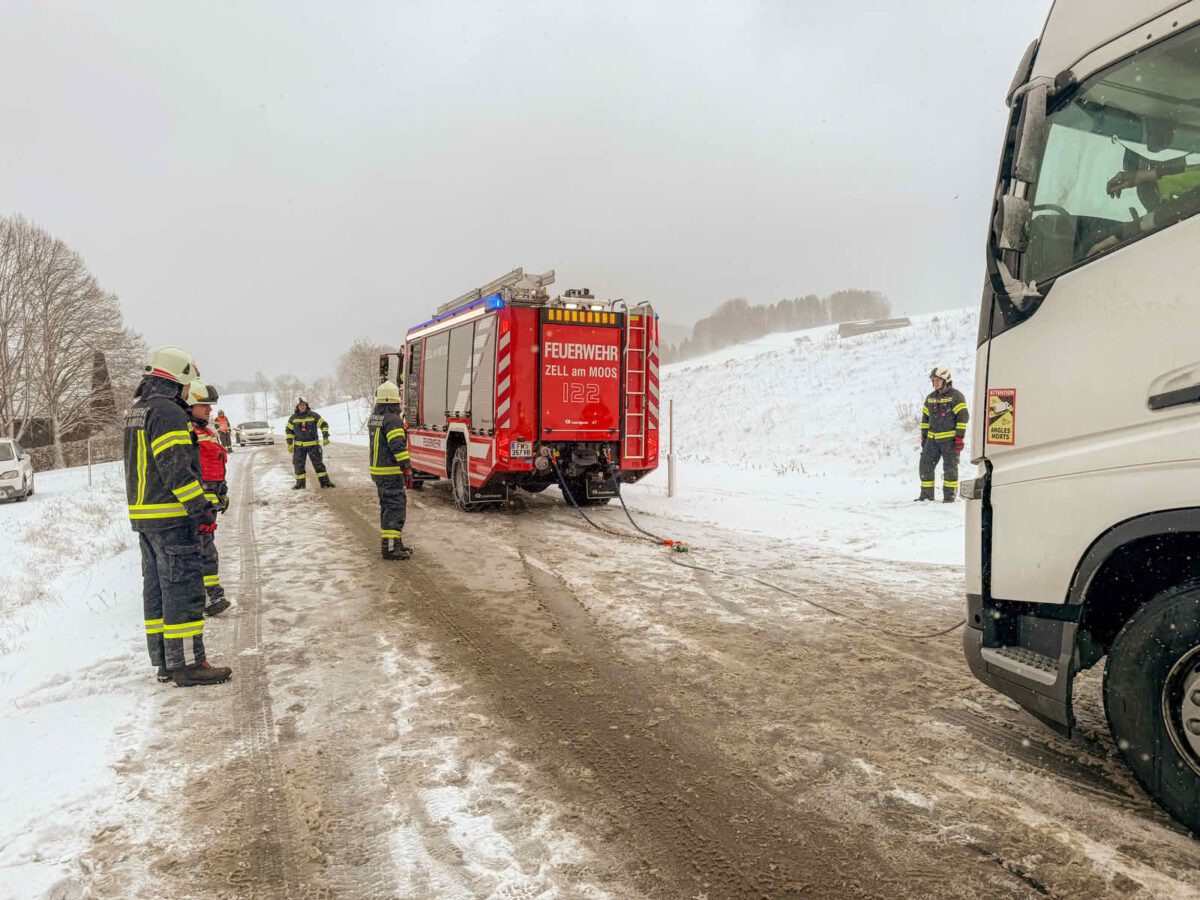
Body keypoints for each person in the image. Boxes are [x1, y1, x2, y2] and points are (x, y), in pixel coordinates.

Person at [124, 346, 232, 687]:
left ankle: (166, 661)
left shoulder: (137, 411)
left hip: (146, 520)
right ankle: (188, 664)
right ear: (176, 379)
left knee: (157, 592)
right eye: (188, 384)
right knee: (183, 592)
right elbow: (175, 468)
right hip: (172, 520)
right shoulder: (168, 413)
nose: (190, 391)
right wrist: (200, 509)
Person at [186, 380, 232, 617]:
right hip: (196, 503)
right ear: (190, 404)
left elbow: (216, 464)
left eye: (210, 406)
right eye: (204, 405)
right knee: (203, 549)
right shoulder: (188, 431)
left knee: (206, 547)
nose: (209, 410)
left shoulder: (207, 430)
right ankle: (211, 595)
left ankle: (211, 594)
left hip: (209, 500)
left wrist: (222, 491)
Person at [368, 381, 414, 559]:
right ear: (394, 401)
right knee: (395, 509)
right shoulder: (393, 419)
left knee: (388, 508)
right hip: (390, 472)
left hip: (379, 471)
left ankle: (395, 544)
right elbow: (397, 446)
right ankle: (390, 549)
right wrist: (407, 468)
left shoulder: (375, 417)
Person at [916, 366, 969, 503]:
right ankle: (926, 496)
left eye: (939, 380)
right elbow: (925, 419)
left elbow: (963, 418)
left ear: (946, 380)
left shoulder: (956, 396)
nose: (936, 383)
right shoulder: (931, 398)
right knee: (925, 466)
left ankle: (949, 497)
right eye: (934, 380)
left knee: (950, 468)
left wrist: (959, 438)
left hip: (949, 441)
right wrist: (924, 436)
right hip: (932, 441)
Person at [286, 397, 334, 489]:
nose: (303, 407)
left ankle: (325, 483)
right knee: (298, 465)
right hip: (299, 447)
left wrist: (325, 437)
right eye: (301, 405)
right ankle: (300, 484)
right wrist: (289, 444)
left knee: (318, 465)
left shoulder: (313, 415)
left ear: (306, 405)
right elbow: (289, 431)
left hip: (313, 446)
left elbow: (323, 425)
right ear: (297, 406)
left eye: (304, 405)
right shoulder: (293, 418)